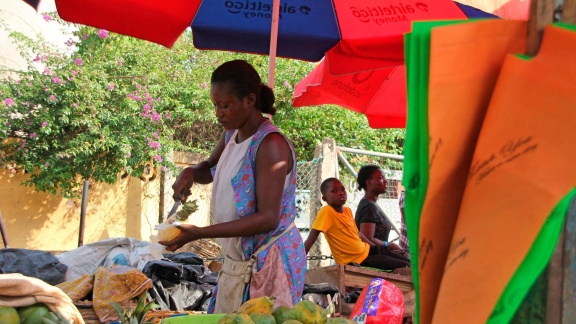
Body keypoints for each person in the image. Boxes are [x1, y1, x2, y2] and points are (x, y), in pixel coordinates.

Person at [160, 60, 306, 312]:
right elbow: (210, 169)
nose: (218, 113)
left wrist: (200, 232)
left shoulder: (270, 145)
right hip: (238, 260)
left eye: (224, 106)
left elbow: (268, 219)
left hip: (269, 261)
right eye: (215, 105)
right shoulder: (232, 134)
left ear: (249, 100)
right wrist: (191, 172)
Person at [304, 177, 410, 270]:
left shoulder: (347, 210)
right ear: (324, 198)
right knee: (406, 266)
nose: (341, 192)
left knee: (410, 262)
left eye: (342, 189)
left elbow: (357, 233)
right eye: (334, 191)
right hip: (360, 260)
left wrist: (375, 247)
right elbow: (311, 238)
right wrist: (298, 261)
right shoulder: (327, 212)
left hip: (369, 251)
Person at [355, 165, 411, 263]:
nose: (385, 181)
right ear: (369, 182)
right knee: (409, 266)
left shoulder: (372, 204)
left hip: (380, 254)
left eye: (384, 178)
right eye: (381, 178)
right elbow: (368, 239)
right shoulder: (368, 207)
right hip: (372, 257)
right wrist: (390, 245)